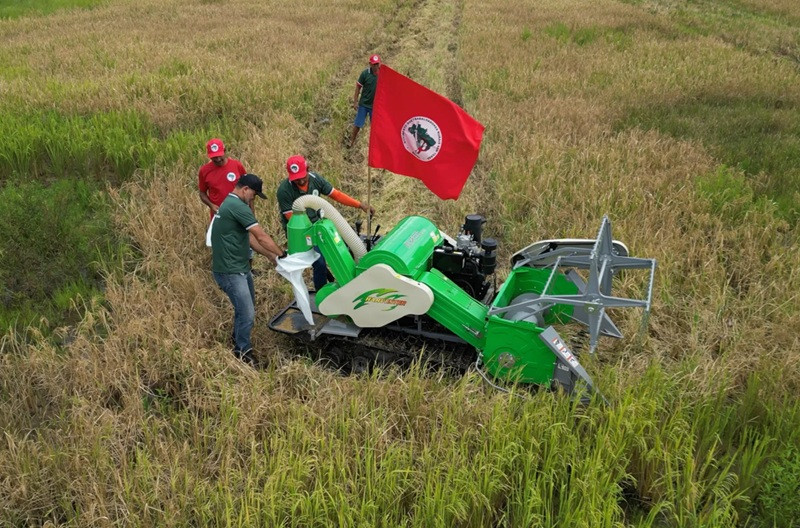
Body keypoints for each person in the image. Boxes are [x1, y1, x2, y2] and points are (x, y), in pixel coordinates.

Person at [211, 173, 286, 364]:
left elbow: (250, 240)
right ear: (245, 189)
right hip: (230, 271)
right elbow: (261, 236)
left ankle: (237, 338)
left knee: (246, 308)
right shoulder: (238, 206)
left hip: (240, 267)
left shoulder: (230, 204)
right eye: (253, 195)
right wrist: (282, 254)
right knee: (247, 314)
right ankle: (243, 352)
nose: (253, 199)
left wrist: (270, 256)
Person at [277, 155, 375, 291]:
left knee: (346, 245)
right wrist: (317, 235)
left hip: (320, 224)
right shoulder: (284, 190)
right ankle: (322, 294)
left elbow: (336, 195)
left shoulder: (316, 180)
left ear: (308, 169)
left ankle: (353, 282)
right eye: (296, 179)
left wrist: (360, 205)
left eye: (302, 177)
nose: (300, 181)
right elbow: (291, 217)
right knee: (320, 262)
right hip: (301, 232)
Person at [198, 138, 248, 219]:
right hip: (219, 216)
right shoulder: (204, 171)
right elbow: (202, 193)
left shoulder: (237, 165)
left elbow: (248, 188)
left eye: (219, 156)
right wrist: (211, 205)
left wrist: (249, 211)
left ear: (224, 151)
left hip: (239, 213)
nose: (218, 159)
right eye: (214, 157)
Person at [348, 54, 381, 149]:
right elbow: (358, 87)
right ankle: (351, 142)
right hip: (364, 104)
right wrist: (355, 102)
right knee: (358, 124)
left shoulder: (382, 74)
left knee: (375, 127)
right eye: (374, 64)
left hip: (375, 106)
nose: (375, 66)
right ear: (370, 64)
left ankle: (374, 147)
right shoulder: (365, 74)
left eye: (377, 64)